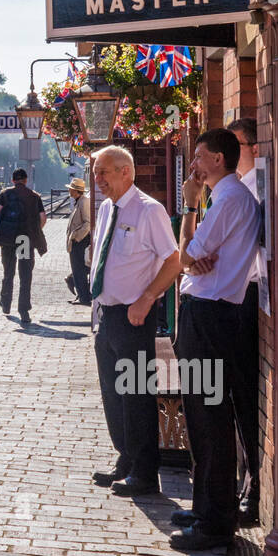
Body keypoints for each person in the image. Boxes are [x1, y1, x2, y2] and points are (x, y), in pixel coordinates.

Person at [171, 128, 262, 551]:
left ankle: (216, 521)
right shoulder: (226, 197)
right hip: (207, 313)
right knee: (200, 414)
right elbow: (190, 258)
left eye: (200, 157)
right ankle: (204, 505)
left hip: (212, 316)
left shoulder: (227, 199)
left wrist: (189, 209)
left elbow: (184, 253)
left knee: (210, 417)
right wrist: (190, 257)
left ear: (220, 160)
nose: (193, 165)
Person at [89, 146, 180, 498]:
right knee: (113, 394)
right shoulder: (105, 208)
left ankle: (144, 472)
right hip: (107, 315)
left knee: (137, 394)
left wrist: (147, 298)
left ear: (126, 171)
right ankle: (125, 459)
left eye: (104, 172)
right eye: (97, 173)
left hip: (134, 315)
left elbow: (173, 261)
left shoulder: (149, 211)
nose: (98, 180)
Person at [228, 117, 262, 525]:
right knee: (235, 396)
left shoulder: (252, 190)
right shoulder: (236, 188)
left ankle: (251, 489)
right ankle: (245, 483)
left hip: (248, 295)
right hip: (238, 295)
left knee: (243, 393)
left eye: (235, 145)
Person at [0, 168, 47, 325]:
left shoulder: (4, 194)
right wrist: (33, 231)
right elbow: (42, 218)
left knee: (8, 272)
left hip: (8, 240)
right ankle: (24, 310)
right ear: (25, 180)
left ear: (12, 180)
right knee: (25, 275)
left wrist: (3, 231)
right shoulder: (34, 196)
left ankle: (5, 304)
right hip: (24, 239)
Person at [65, 177, 92, 305]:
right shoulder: (79, 201)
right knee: (77, 270)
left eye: (71, 189)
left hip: (79, 242)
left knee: (79, 270)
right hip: (76, 243)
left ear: (76, 191)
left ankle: (84, 298)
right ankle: (81, 296)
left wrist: (76, 237)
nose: (69, 190)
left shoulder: (83, 202)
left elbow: (88, 223)